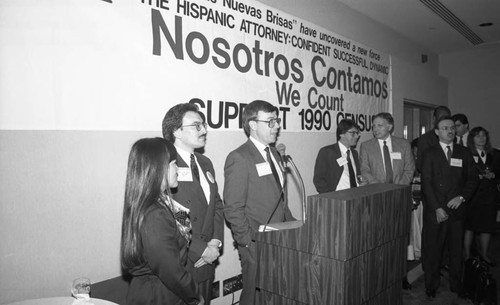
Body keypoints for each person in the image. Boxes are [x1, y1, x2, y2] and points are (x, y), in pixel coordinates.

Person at [223, 100, 295, 305]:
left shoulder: (273, 153)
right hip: (255, 242)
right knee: (253, 297)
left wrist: (293, 226)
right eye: (270, 121)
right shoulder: (239, 157)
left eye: (277, 120)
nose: (277, 126)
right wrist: (247, 242)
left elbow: (279, 198)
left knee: (275, 294)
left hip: (280, 238)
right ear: (253, 124)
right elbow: (233, 208)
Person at [121, 138, 204, 305]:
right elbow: (171, 271)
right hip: (160, 296)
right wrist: (195, 297)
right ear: (158, 169)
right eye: (173, 163)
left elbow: (182, 228)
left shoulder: (160, 202)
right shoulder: (154, 214)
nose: (177, 169)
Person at [162, 103, 224, 304]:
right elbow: (169, 214)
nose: (204, 130)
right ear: (177, 132)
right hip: (183, 262)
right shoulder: (164, 164)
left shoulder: (205, 163)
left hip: (207, 261)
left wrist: (215, 242)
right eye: (196, 126)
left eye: (204, 125)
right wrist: (199, 249)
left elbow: (216, 204)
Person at [420, 116, 479, 299]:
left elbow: (473, 179)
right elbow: (426, 183)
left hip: (457, 210)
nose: (450, 131)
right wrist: (437, 208)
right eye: (445, 128)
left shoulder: (464, 152)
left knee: (456, 250)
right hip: (435, 211)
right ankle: (431, 284)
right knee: (433, 250)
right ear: (437, 132)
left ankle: (456, 283)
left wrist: (462, 198)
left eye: (452, 128)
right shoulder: (429, 153)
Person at [463, 127, 500, 266]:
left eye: (484, 135)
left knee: (487, 226)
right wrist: (474, 177)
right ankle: (467, 254)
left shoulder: (495, 154)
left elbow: (499, 171)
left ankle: (484, 254)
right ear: (472, 138)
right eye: (478, 136)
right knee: (469, 226)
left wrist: (494, 175)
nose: (481, 138)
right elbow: (461, 174)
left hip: (489, 196)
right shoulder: (466, 153)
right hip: (473, 196)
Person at [359, 112, 415, 185]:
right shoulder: (366, 146)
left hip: (400, 190)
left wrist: (399, 187)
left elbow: (409, 169)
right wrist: (380, 187)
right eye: (374, 126)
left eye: (379, 126)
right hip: (377, 190)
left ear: (389, 127)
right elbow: (364, 170)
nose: (375, 129)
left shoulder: (404, 144)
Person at [313, 119, 361, 193]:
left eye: (357, 133)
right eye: (353, 133)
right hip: (337, 199)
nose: (357, 136)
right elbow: (319, 179)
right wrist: (329, 197)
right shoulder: (327, 152)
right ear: (341, 134)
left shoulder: (354, 153)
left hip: (356, 197)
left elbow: (357, 176)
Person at [417, 106, 451, 172]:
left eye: (447, 118)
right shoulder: (426, 139)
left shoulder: (453, 137)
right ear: (434, 119)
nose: (444, 120)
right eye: (441, 118)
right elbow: (421, 164)